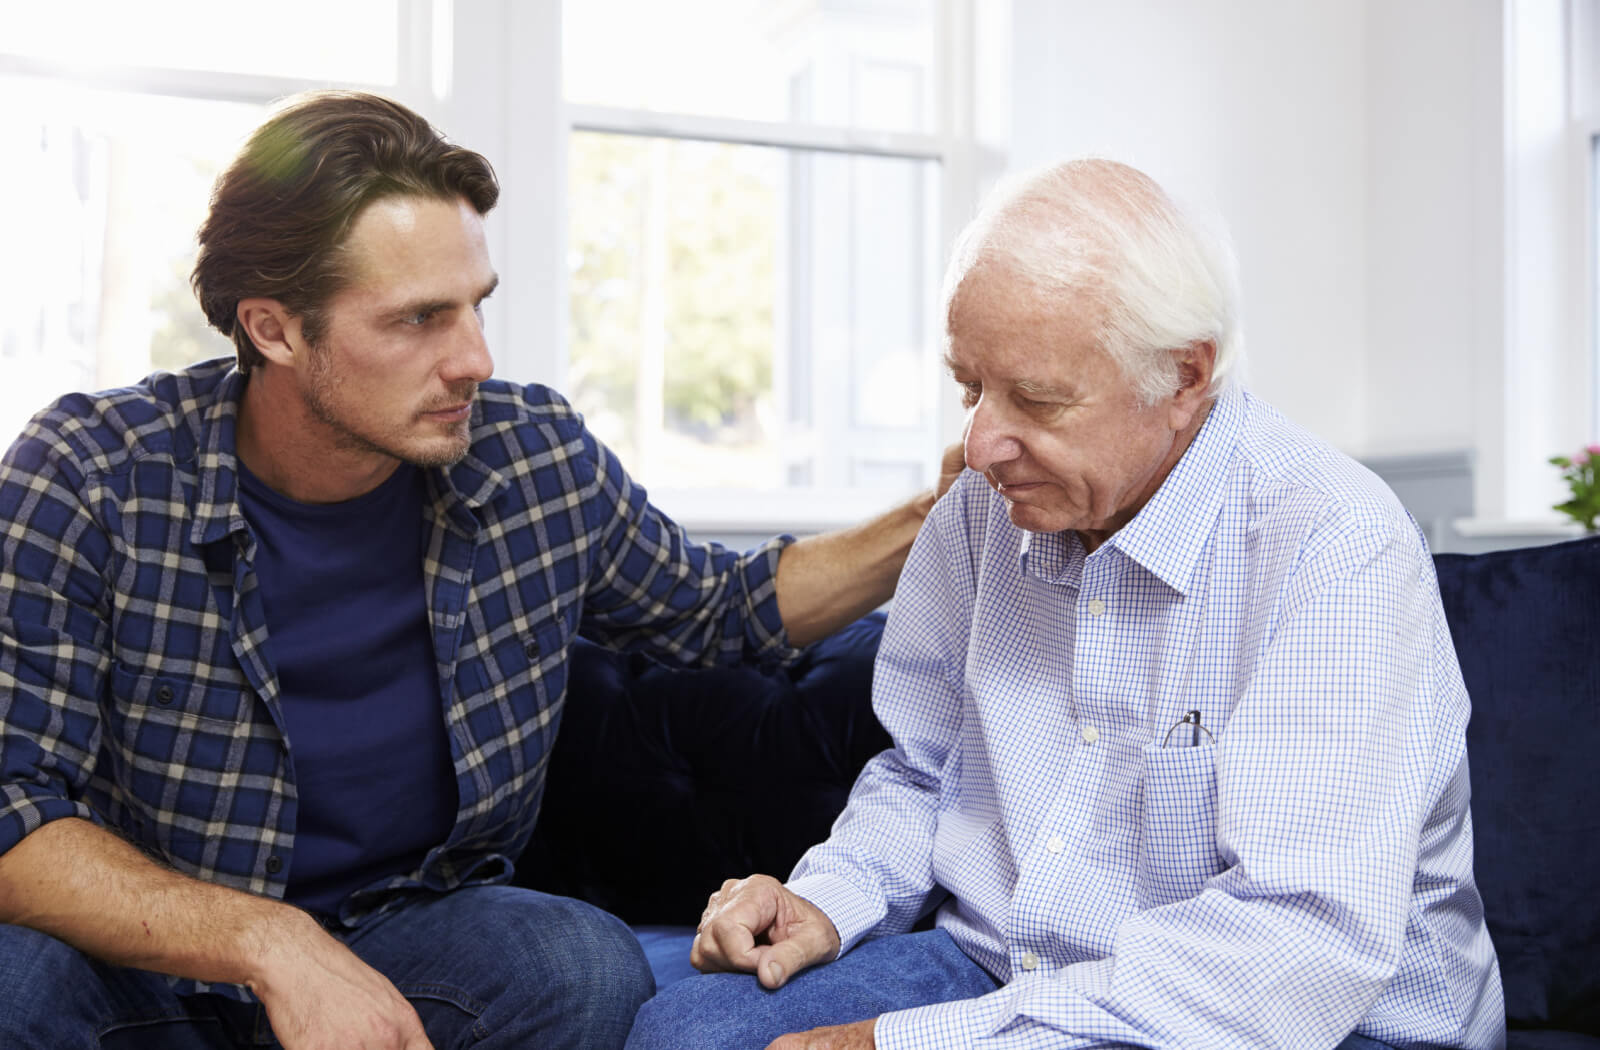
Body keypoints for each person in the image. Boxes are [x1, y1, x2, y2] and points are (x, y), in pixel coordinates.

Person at [0, 91, 959, 1050]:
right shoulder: (92, 474)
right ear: (275, 329)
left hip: (404, 932)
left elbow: (721, 610)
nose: (475, 359)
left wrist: (945, 508)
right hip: (147, 955)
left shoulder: (529, 456)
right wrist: (269, 942)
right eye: (420, 319)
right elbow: (14, 809)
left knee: (578, 962)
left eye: (475, 307)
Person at [627, 159, 1507, 1050]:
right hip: (1004, 964)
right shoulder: (982, 510)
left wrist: (906, 1043)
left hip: (1301, 1017)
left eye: (1036, 399)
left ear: (1183, 377)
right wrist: (829, 897)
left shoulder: (1334, 546)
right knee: (687, 1036)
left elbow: (1291, 950)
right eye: (970, 388)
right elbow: (926, 773)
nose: (978, 445)